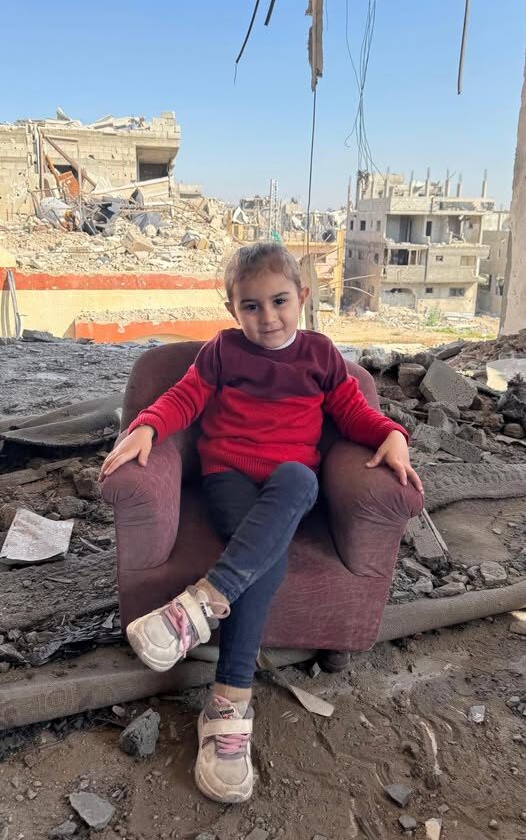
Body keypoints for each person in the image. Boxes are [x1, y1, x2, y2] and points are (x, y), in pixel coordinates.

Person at [100, 242, 423, 805]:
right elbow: (184, 398)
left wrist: (393, 434)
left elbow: (354, 412)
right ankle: (229, 701)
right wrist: (147, 426)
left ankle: (201, 605)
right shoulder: (223, 352)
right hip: (228, 478)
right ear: (233, 309)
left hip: (288, 490)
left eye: (279, 301)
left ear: (302, 297)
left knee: (300, 478)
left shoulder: (320, 355)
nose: (267, 317)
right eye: (251, 306)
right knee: (263, 561)